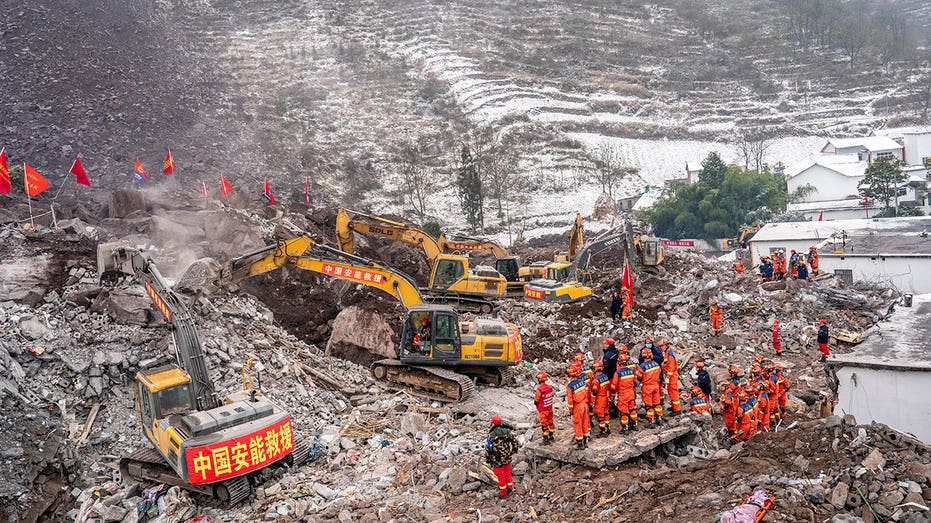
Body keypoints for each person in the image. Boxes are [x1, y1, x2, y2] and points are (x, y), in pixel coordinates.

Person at [485, 416, 519, 497]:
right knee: (508, 474)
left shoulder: (491, 435)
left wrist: (488, 459)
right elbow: (515, 442)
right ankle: (510, 488)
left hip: (497, 460)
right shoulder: (507, 432)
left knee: (501, 477)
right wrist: (513, 451)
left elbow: (488, 449)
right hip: (507, 457)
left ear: (493, 423)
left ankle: (503, 493)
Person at [610, 351, 638, 431]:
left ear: (619, 362)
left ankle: (625, 428)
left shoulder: (618, 373)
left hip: (623, 395)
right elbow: (634, 383)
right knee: (632, 409)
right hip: (631, 393)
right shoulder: (631, 371)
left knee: (624, 412)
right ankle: (634, 424)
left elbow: (613, 387)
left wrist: (612, 397)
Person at [566, 365, 592, 448]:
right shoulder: (582, 382)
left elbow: (570, 401)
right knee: (585, 422)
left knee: (578, 424)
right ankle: (586, 440)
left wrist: (570, 410)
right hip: (585, 404)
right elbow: (587, 392)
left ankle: (580, 443)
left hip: (578, 407)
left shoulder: (570, 386)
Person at [636, 347, 663, 425]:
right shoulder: (656, 364)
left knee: (649, 405)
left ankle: (651, 420)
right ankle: (659, 418)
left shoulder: (642, 366)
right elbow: (659, 373)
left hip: (647, 386)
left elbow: (639, 377)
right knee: (657, 403)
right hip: (656, 385)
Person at [589, 361, 612, 436]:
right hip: (605, 397)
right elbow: (608, 387)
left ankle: (603, 431)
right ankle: (608, 428)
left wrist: (592, 402)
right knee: (606, 413)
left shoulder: (596, 380)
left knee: (600, 415)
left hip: (600, 399)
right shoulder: (605, 376)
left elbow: (594, 392)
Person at [659, 338, 681, 414]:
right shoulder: (667, 353)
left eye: (662, 346)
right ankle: (674, 407)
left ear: (666, 345)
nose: (661, 348)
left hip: (672, 376)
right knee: (670, 391)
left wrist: (668, 378)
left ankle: (677, 410)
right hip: (670, 375)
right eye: (660, 346)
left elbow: (671, 368)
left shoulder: (670, 355)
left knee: (673, 392)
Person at [534, 372, 555, 444]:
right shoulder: (550, 387)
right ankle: (551, 436)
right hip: (549, 408)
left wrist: (536, 404)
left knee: (544, 425)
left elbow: (536, 401)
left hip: (542, 410)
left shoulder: (539, 390)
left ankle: (546, 439)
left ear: (539, 380)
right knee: (551, 422)